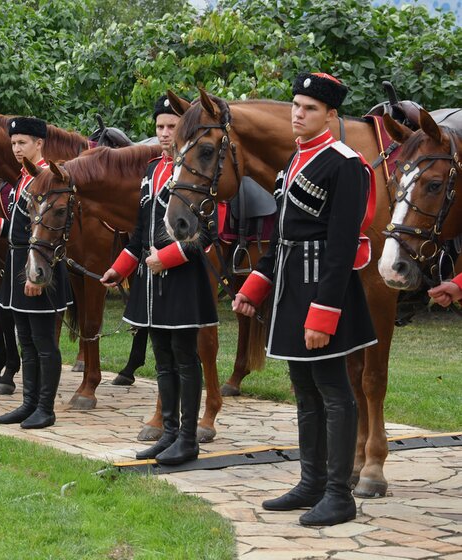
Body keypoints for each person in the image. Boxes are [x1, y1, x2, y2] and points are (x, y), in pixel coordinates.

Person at [232, 72, 377, 527]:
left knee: (334, 391)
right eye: (296, 104)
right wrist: (257, 284)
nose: (299, 113)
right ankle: (311, 483)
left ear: (331, 115)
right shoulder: (294, 161)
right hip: (292, 289)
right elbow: (282, 237)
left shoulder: (345, 163)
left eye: (310, 108)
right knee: (304, 388)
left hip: (323, 291)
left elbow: (340, 246)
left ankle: (339, 494)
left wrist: (324, 312)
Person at [100, 96, 218, 461]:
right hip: (151, 286)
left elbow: (211, 231)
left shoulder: (199, 171)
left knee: (185, 358)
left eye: (172, 127)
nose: (165, 134)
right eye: (160, 128)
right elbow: (139, 233)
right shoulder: (151, 172)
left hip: (183, 280)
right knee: (162, 359)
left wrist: (167, 258)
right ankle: (168, 432)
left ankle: (187, 438)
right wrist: (119, 267)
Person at [0, 116, 72, 429]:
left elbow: (48, 235)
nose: (15, 148)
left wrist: (36, 276)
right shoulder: (23, 178)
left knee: (43, 342)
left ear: (39, 144)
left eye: (22, 143)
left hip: (38, 268)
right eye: (13, 143)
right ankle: (28, 404)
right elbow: (16, 230)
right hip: (17, 266)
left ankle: (45, 408)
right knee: (25, 340)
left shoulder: (49, 176)